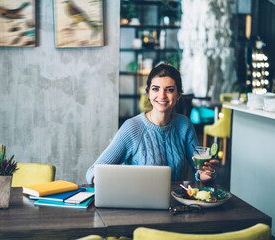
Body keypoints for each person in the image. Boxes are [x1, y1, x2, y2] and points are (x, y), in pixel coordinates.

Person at [86, 63, 219, 184]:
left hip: (176, 204)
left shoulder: (184, 125)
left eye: (169, 90)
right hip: (140, 205)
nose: (162, 96)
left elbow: (199, 170)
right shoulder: (132, 128)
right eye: (155, 89)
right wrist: (108, 182)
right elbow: (92, 171)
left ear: (178, 95)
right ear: (148, 93)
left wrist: (205, 174)